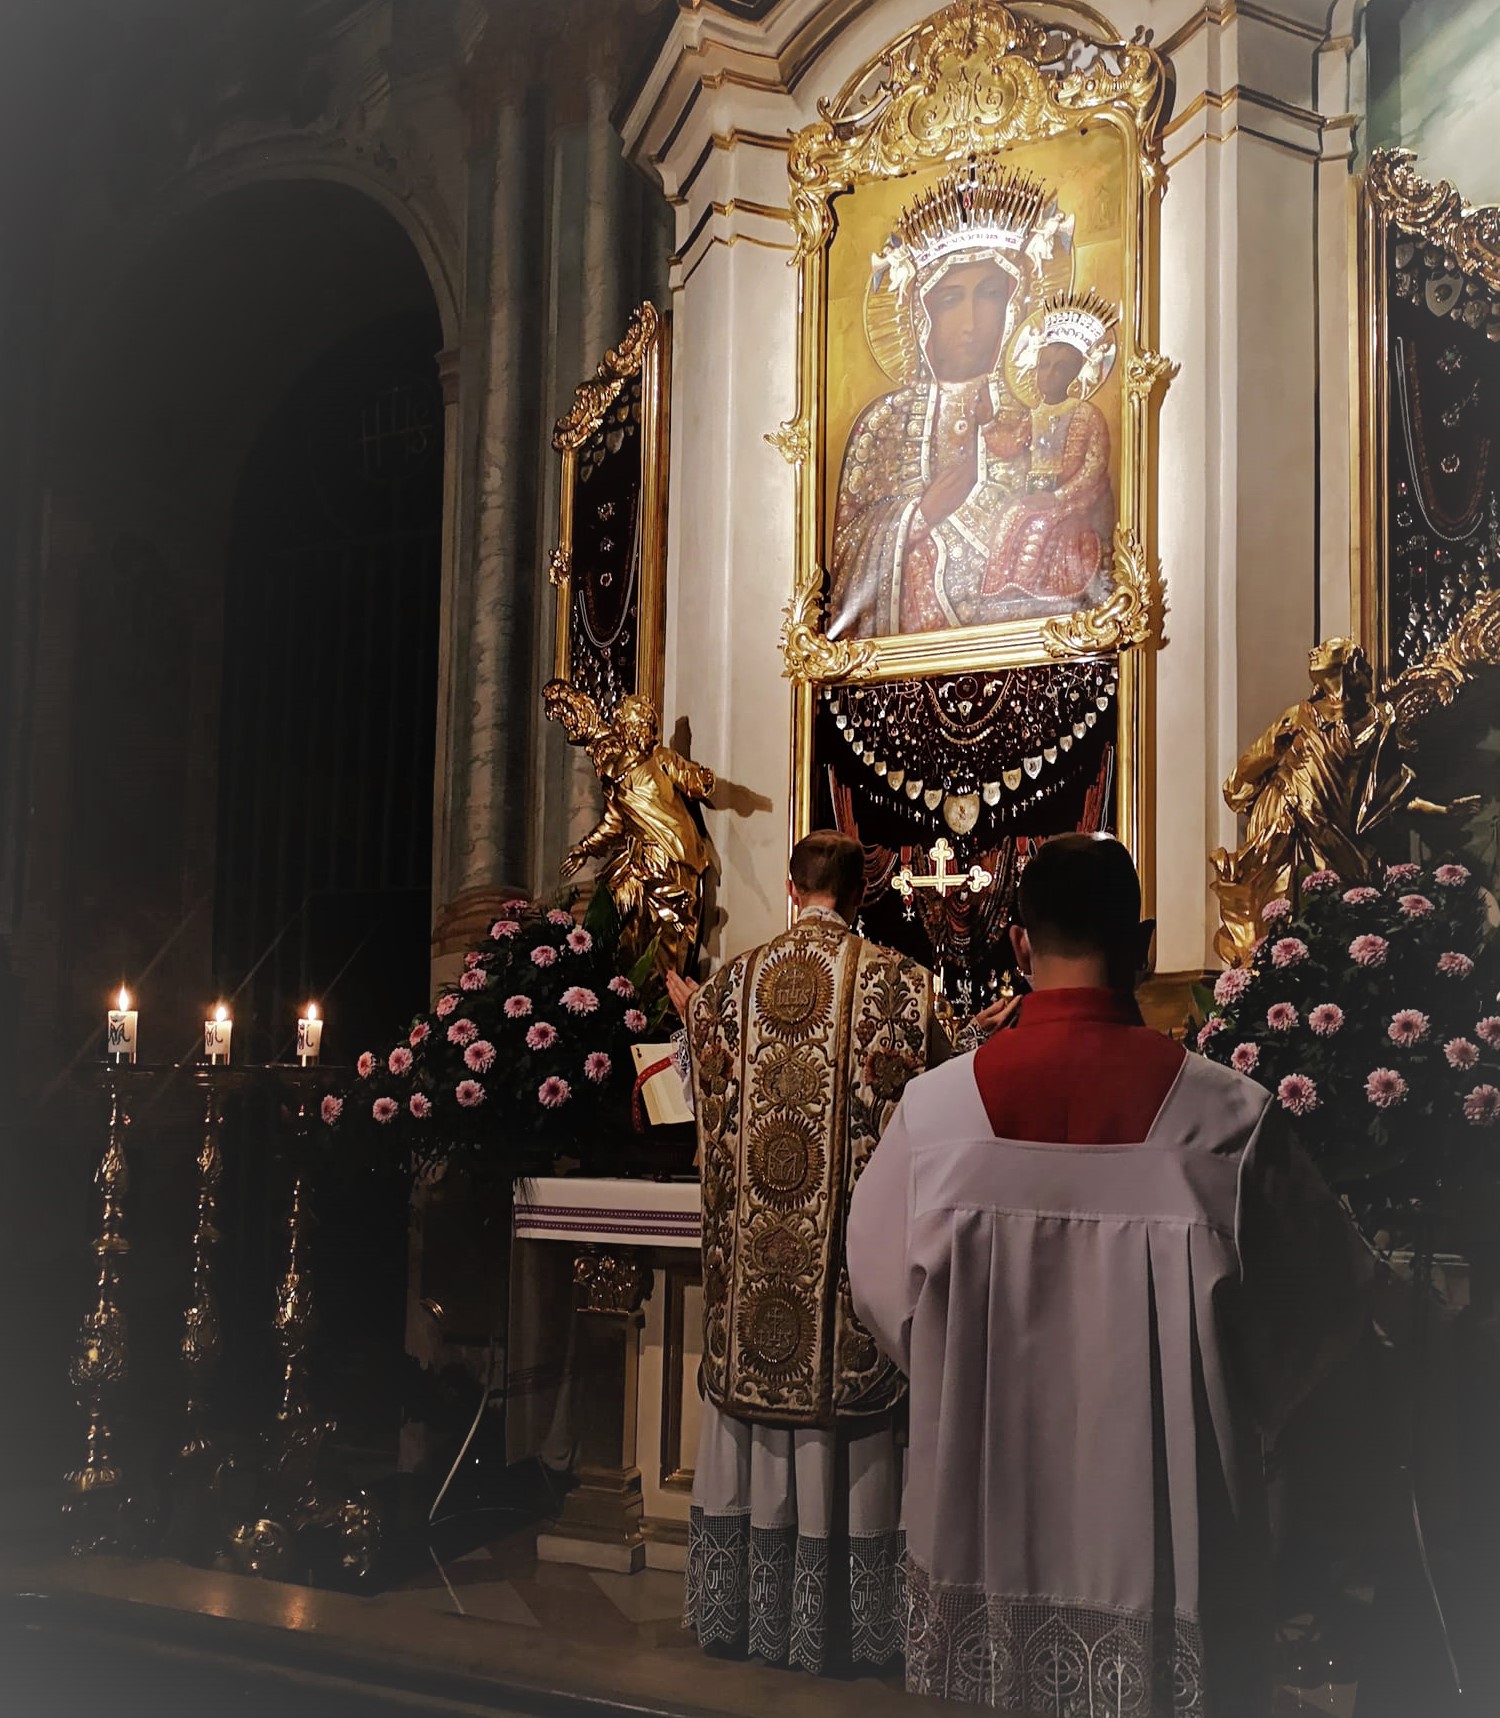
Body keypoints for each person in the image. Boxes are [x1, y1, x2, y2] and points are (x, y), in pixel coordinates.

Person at [847, 834, 1370, 1716]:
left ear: (1020, 944)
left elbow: (882, 1293)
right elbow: (1318, 1308)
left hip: (984, 1518)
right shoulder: (1228, 1119)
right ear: (1144, 946)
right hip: (1172, 1540)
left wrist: (960, 1362)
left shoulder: (934, 1114)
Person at [665, 830, 950, 1675]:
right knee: (849, 1442)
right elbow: (942, 1094)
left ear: (792, 889)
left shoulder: (726, 988)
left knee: (758, 1433)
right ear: (861, 894)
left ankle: (749, 1619)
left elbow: (704, 1093)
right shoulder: (899, 986)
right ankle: (853, 1632)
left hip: (756, 1291)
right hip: (845, 1296)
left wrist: (695, 1016)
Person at [827, 159, 1066, 639]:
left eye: (990, 294)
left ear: (1015, 304)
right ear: (922, 316)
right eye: (951, 300)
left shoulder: (1040, 415)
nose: (972, 321)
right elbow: (846, 558)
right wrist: (918, 516)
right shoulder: (884, 423)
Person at [982, 292, 1116, 610]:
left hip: (1075, 500)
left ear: (1074, 372)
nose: (1049, 375)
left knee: (1039, 528)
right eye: (1044, 366)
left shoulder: (1086, 414)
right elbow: (1011, 445)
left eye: (1060, 368)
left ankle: (1032, 598)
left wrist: (1058, 496)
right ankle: (1004, 596)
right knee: (1009, 520)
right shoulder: (1034, 415)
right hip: (1035, 496)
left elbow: (1093, 467)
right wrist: (986, 424)